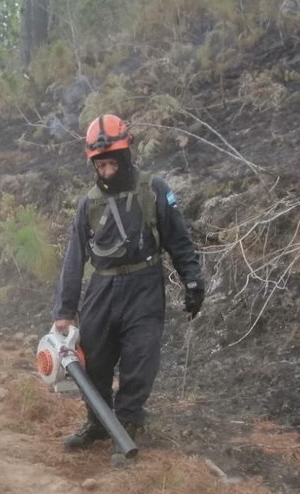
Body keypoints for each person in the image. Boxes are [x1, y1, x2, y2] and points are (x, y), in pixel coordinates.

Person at [50, 114, 204, 448]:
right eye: (100, 165)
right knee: (95, 361)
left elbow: (178, 240)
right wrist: (65, 309)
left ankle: (128, 423)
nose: (107, 172)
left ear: (126, 155)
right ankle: (97, 423)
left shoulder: (155, 189)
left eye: (113, 164)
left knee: (140, 360)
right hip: (102, 289)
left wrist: (192, 280)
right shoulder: (88, 204)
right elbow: (74, 257)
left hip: (144, 285)